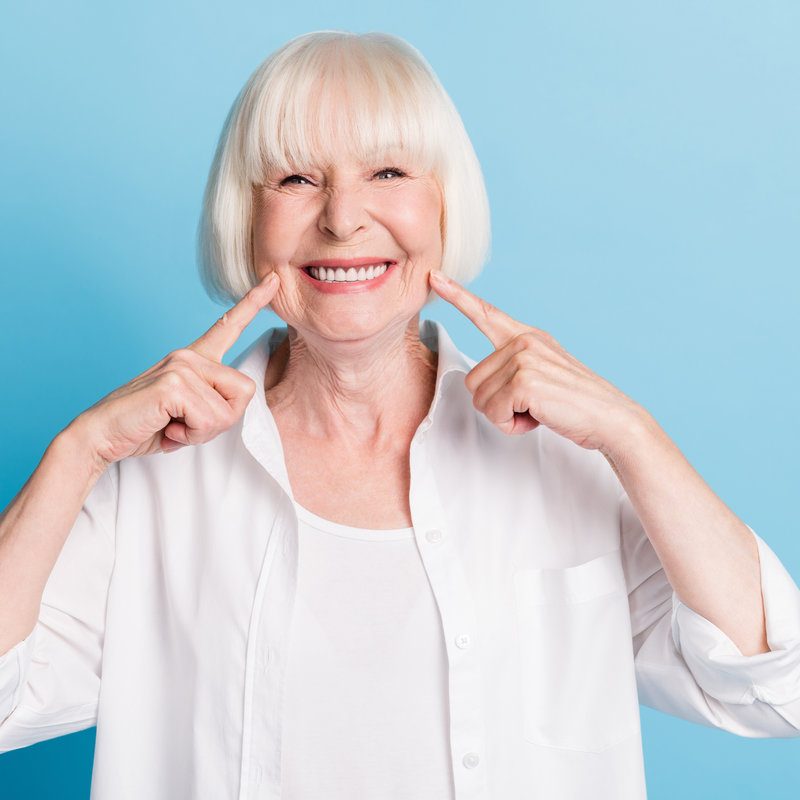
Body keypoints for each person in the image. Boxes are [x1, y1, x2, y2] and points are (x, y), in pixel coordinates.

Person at [1, 29, 799, 800]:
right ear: (246, 219)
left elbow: (778, 689)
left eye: (388, 172)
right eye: (296, 179)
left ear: (447, 206)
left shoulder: (567, 462)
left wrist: (635, 436)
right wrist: (74, 452)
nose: (344, 219)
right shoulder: (146, 488)